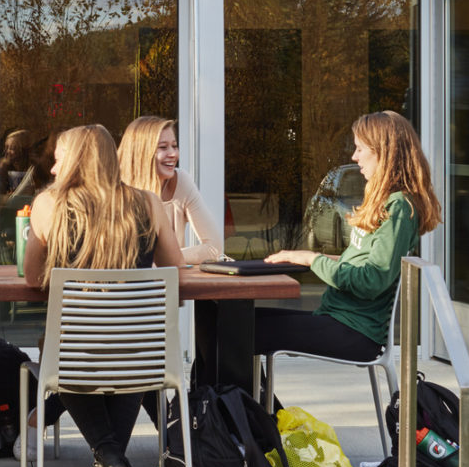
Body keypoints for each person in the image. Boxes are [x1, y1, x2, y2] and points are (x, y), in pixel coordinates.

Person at [23, 124, 185, 467]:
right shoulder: (148, 203)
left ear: (76, 161)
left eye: (58, 159)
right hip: (143, 352)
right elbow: (173, 269)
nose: (52, 169)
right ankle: (111, 466)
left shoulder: (50, 205)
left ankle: (110, 457)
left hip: (75, 352)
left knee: (60, 348)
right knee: (128, 349)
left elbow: (32, 277)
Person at [258, 112, 441, 364]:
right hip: (337, 319)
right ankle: (228, 403)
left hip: (355, 333)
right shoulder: (383, 200)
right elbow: (357, 261)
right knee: (231, 323)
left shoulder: (398, 207)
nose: (354, 157)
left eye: (359, 149)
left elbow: (372, 280)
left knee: (237, 333)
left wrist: (313, 260)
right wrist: (303, 257)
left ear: (383, 152)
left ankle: (230, 404)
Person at [118, 116, 224, 264]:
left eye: (174, 146)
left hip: (172, 283)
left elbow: (214, 247)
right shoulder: (117, 190)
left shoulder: (181, 182)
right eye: (163, 147)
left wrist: (167, 258)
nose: (173, 154)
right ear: (141, 152)